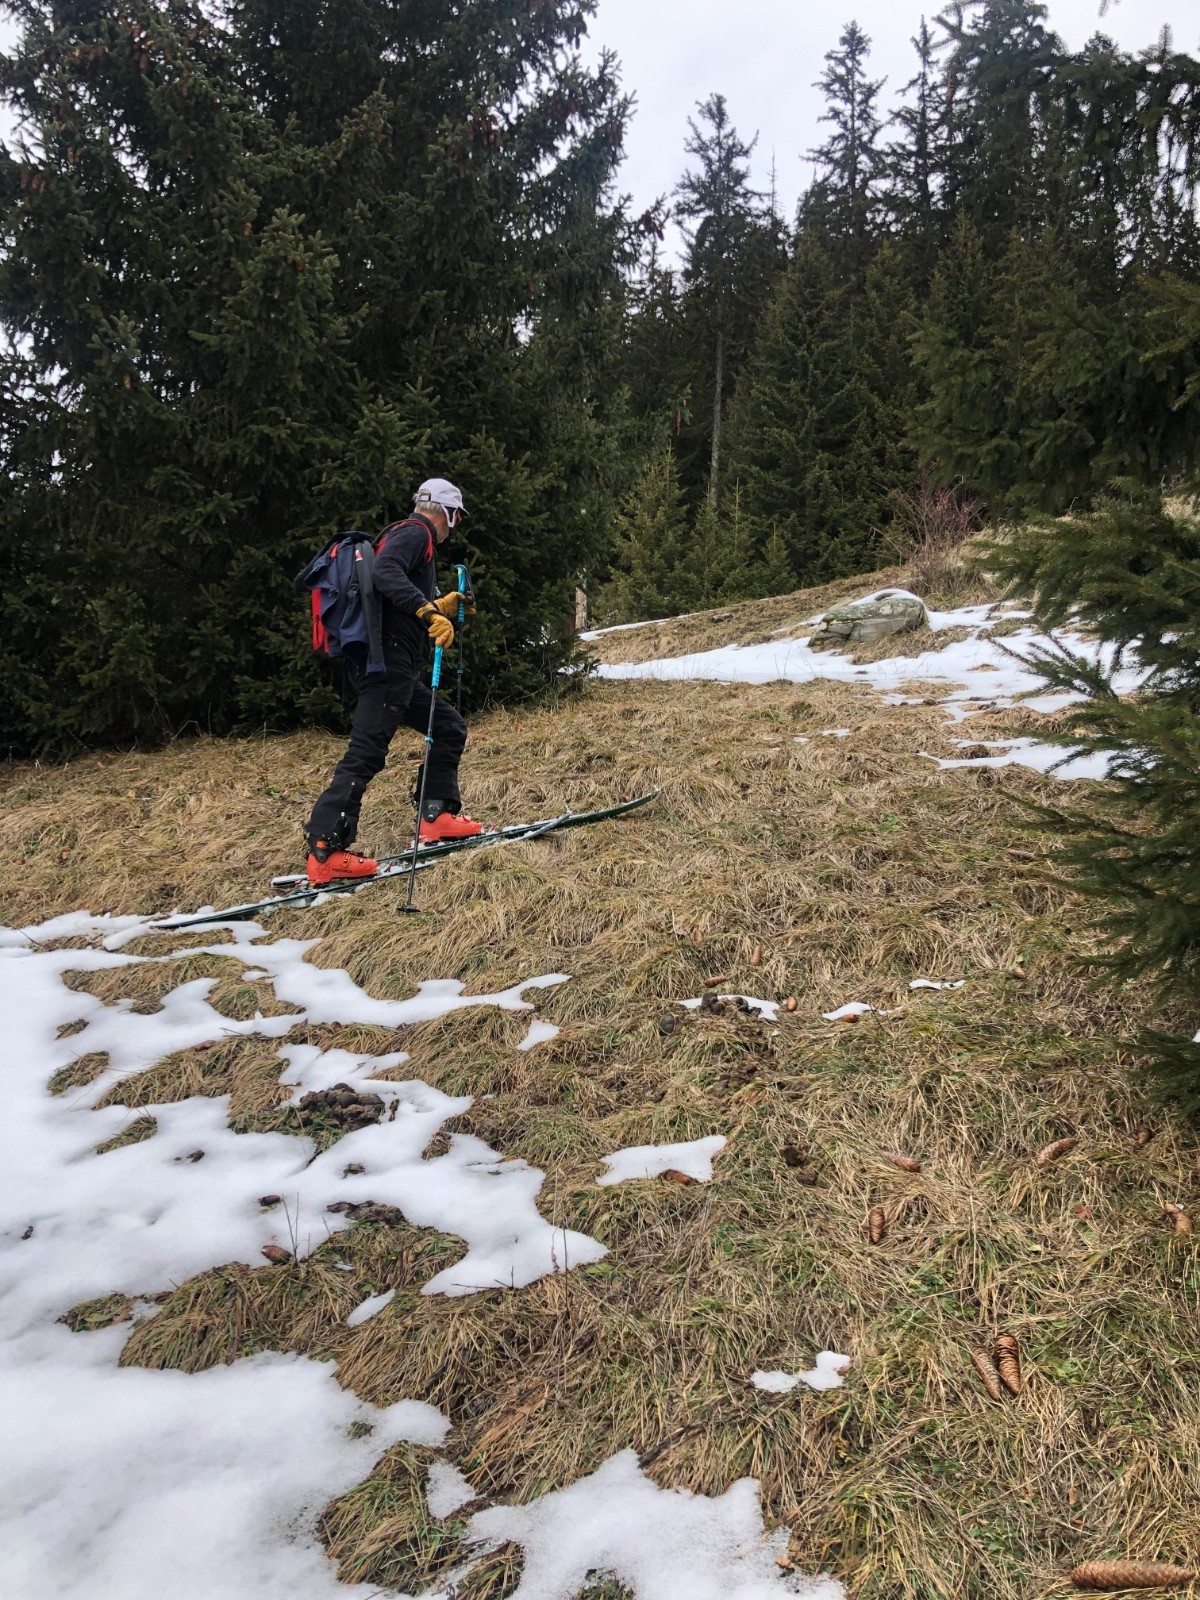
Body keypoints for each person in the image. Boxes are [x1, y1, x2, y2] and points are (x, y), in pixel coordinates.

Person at [304, 477, 483, 885]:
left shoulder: (405, 536)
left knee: (448, 726)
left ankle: (436, 816)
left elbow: (391, 593)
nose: (454, 526)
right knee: (366, 752)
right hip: (388, 664)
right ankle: (325, 850)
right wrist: (428, 611)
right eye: (456, 517)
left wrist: (440, 604)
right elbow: (386, 572)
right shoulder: (416, 531)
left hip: (393, 666)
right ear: (447, 511)